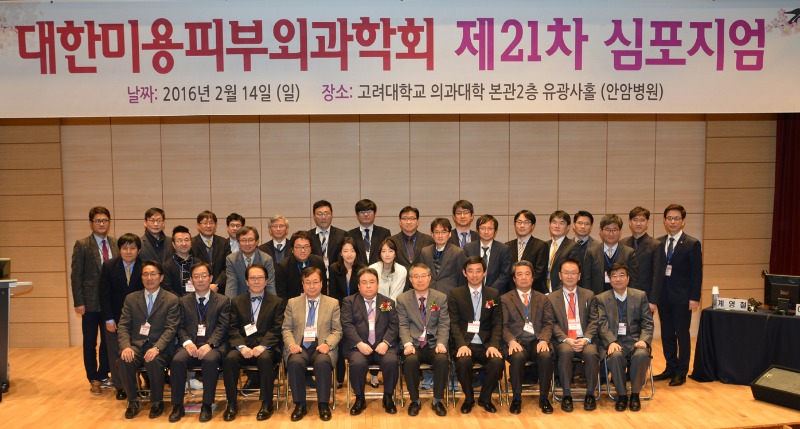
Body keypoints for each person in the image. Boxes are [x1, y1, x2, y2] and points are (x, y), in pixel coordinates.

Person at [222, 264, 286, 421]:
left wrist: (263, 346)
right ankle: (231, 403)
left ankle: (267, 403)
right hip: (243, 346)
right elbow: (232, 328)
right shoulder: (236, 302)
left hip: (267, 347)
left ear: (266, 281)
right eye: (253, 278)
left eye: (260, 278)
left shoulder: (277, 302)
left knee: (265, 359)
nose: (256, 281)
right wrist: (242, 347)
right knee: (229, 359)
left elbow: (277, 329)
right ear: (246, 281)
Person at [118, 260, 180, 419]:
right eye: (145, 274)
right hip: (136, 346)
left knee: (153, 360)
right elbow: (123, 325)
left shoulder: (171, 299)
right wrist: (126, 346)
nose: (149, 278)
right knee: (125, 360)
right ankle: (132, 401)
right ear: (141, 277)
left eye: (153, 274)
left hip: (161, 347)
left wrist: (157, 348)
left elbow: (171, 329)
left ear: (161, 277)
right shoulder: (131, 298)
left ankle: (157, 402)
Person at [169, 262, 231, 422]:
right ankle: (177, 405)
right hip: (190, 345)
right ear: (191, 280)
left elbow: (223, 327)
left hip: (214, 346)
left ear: (211, 278)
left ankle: (206, 405)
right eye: (196, 276)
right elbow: (179, 326)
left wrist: (210, 344)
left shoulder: (223, 300)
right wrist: (187, 342)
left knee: (210, 360)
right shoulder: (183, 301)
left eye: (204, 276)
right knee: (177, 361)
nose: (200, 279)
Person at [282, 267, 342, 422]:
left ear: (322, 283)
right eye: (308, 282)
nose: (312, 286)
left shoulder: (332, 303)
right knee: (294, 363)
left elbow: (337, 330)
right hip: (299, 345)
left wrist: (328, 344)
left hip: (322, 345)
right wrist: (291, 345)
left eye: (315, 282)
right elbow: (286, 329)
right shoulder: (292, 303)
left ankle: (323, 404)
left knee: (322, 363)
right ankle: (299, 404)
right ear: (302, 284)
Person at [652, 204, 703, 387]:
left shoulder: (692, 243)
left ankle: (681, 371)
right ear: (664, 221)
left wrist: (694, 298)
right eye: (669, 218)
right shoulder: (658, 242)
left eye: (676, 218)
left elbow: (697, 274)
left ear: (683, 221)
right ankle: (670, 368)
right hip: (663, 297)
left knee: (682, 334)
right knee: (666, 334)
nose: (672, 221)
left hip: (683, 298)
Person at [448, 256, 504, 414]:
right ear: (464, 273)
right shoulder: (455, 294)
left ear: (484, 272)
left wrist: (493, 345)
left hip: (486, 344)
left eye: (478, 271)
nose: (474, 275)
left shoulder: (493, 294)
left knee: (497, 362)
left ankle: (485, 398)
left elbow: (497, 323)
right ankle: (469, 399)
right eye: (470, 271)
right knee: (463, 361)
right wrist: (461, 345)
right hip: (465, 343)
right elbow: (454, 323)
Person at [340, 267, 400, 415]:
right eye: (364, 282)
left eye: (372, 282)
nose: (368, 286)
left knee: (391, 361)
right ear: (358, 286)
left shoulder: (388, 302)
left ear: (377, 284)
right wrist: (359, 343)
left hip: (383, 346)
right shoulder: (349, 302)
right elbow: (347, 325)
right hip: (359, 347)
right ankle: (359, 398)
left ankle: (388, 397)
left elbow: (394, 325)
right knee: (357, 363)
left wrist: (386, 342)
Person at [71, 206, 117, 395]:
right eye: (98, 221)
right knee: (90, 343)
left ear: (109, 222)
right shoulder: (82, 245)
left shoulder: (115, 243)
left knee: (108, 342)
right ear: (91, 223)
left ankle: (104, 374)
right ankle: (93, 378)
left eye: (105, 220)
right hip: (89, 303)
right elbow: (76, 275)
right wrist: (78, 301)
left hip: (110, 303)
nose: (101, 224)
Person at [596, 262, 654, 412]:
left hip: (636, 341)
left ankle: (635, 394)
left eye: (622, 275)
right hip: (615, 342)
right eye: (614, 276)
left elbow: (648, 322)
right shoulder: (601, 299)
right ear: (609, 279)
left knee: (641, 355)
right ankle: (622, 395)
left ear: (628, 278)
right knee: (615, 356)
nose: (618, 279)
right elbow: (602, 324)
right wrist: (611, 342)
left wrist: (644, 340)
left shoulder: (640, 296)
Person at [395, 263, 450, 417]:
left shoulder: (440, 297)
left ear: (430, 278)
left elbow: (444, 323)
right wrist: (407, 343)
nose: (420, 280)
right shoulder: (402, 299)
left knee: (442, 360)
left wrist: (441, 343)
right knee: (410, 361)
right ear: (410, 280)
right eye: (416, 276)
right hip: (414, 344)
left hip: (433, 344)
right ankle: (415, 400)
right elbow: (403, 324)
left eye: (423, 276)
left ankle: (437, 400)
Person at [501, 261, 555, 414]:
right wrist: (511, 341)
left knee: (545, 356)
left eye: (527, 274)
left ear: (532, 277)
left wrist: (544, 340)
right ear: (514, 279)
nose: (524, 277)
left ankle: (544, 398)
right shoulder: (505, 299)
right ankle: (516, 398)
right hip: (517, 342)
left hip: (537, 341)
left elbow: (548, 323)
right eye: (519, 274)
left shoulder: (543, 298)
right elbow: (503, 325)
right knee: (517, 357)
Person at [547, 257, 599, 412]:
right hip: (564, 340)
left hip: (584, 339)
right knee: (565, 352)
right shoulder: (551, 298)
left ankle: (590, 394)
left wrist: (586, 339)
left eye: (573, 273)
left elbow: (594, 320)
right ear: (559, 275)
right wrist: (566, 339)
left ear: (579, 276)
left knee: (591, 353)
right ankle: (566, 394)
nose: (569, 276)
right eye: (566, 273)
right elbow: (551, 323)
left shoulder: (589, 295)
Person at [99, 233, 144, 401]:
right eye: (125, 248)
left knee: (137, 352)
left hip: (139, 319)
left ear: (138, 250)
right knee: (116, 353)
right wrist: (109, 319)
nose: (129, 251)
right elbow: (104, 295)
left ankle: (138, 385)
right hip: (115, 319)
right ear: (119, 250)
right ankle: (121, 387)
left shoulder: (145, 267)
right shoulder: (109, 266)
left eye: (132, 248)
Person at [328, 237, 366, 386]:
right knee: (339, 342)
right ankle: (339, 378)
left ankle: (357, 377)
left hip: (357, 310)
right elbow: (333, 293)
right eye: (345, 251)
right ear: (340, 253)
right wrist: (340, 312)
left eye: (352, 250)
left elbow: (363, 294)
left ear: (357, 252)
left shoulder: (362, 269)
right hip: (338, 310)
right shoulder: (334, 268)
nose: (349, 254)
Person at [582, 214, 639, 295]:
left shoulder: (629, 252)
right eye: (607, 230)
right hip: (597, 297)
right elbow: (586, 280)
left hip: (622, 297)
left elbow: (633, 281)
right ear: (601, 231)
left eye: (614, 230)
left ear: (620, 231)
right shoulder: (592, 252)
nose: (611, 234)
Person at [620, 207, 660, 309]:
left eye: (642, 220)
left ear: (647, 223)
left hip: (645, 297)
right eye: (635, 220)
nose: (638, 223)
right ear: (630, 222)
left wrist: (653, 301)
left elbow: (657, 276)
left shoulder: (656, 245)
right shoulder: (622, 243)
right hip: (623, 294)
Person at [464, 214, 512, 294]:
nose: (486, 232)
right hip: (472, 292)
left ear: (495, 231)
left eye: (490, 228)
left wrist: (489, 292)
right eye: (483, 228)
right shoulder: (468, 248)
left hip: (496, 293)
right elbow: (466, 271)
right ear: (477, 230)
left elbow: (505, 274)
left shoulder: (504, 249)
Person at [418, 218, 467, 296]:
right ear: (432, 234)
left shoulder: (458, 252)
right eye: (437, 232)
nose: (440, 236)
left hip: (450, 295)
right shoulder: (425, 251)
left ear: (449, 234)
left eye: (444, 232)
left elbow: (462, 279)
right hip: (429, 294)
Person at [225, 226, 276, 298]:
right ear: (238, 243)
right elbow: (231, 286)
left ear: (257, 242)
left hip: (262, 300)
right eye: (243, 240)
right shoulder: (231, 259)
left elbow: (270, 285)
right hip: (240, 301)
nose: (247, 244)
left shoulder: (266, 259)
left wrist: (272, 304)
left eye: (250, 240)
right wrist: (229, 304)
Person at [276, 230, 327, 299]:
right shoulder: (283, 266)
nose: (303, 250)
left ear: (311, 248)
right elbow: (281, 295)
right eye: (299, 247)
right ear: (292, 249)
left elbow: (323, 288)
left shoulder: (318, 262)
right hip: (293, 304)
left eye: (306, 246)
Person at [507, 210, 549, 294]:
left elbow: (539, 273)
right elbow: (506, 272)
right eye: (519, 222)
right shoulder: (507, 246)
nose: (522, 225)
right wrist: (515, 290)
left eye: (526, 222)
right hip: (511, 292)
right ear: (515, 224)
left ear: (533, 225)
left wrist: (523, 287)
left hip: (534, 292)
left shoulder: (541, 245)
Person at [191, 210, 231, 294]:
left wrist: (216, 284)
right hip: (198, 289)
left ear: (215, 225)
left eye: (211, 223)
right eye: (205, 223)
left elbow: (228, 267)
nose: (208, 226)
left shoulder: (224, 243)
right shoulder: (192, 243)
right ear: (198, 225)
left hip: (220, 290)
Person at [545, 210, 582, 293]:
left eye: (561, 223)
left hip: (562, 292)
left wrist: (557, 293)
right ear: (549, 225)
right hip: (544, 292)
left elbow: (573, 273)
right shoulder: (545, 245)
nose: (557, 226)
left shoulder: (573, 246)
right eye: (554, 222)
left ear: (568, 227)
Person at [347, 199, 392, 265]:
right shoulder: (350, 234)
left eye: (369, 211)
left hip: (379, 270)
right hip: (357, 270)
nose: (366, 214)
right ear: (357, 215)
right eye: (362, 212)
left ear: (374, 214)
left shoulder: (384, 233)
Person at [308, 200, 347, 271]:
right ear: (314, 217)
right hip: (315, 275)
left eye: (326, 213)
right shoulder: (308, 236)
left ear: (331, 215)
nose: (323, 217)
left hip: (337, 274)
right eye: (319, 214)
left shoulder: (342, 235)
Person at [161, 225, 195, 296]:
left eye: (186, 240)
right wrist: (181, 301)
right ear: (173, 244)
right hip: (175, 302)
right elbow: (167, 288)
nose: (184, 244)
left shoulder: (199, 263)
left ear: (191, 242)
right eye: (179, 241)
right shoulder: (167, 266)